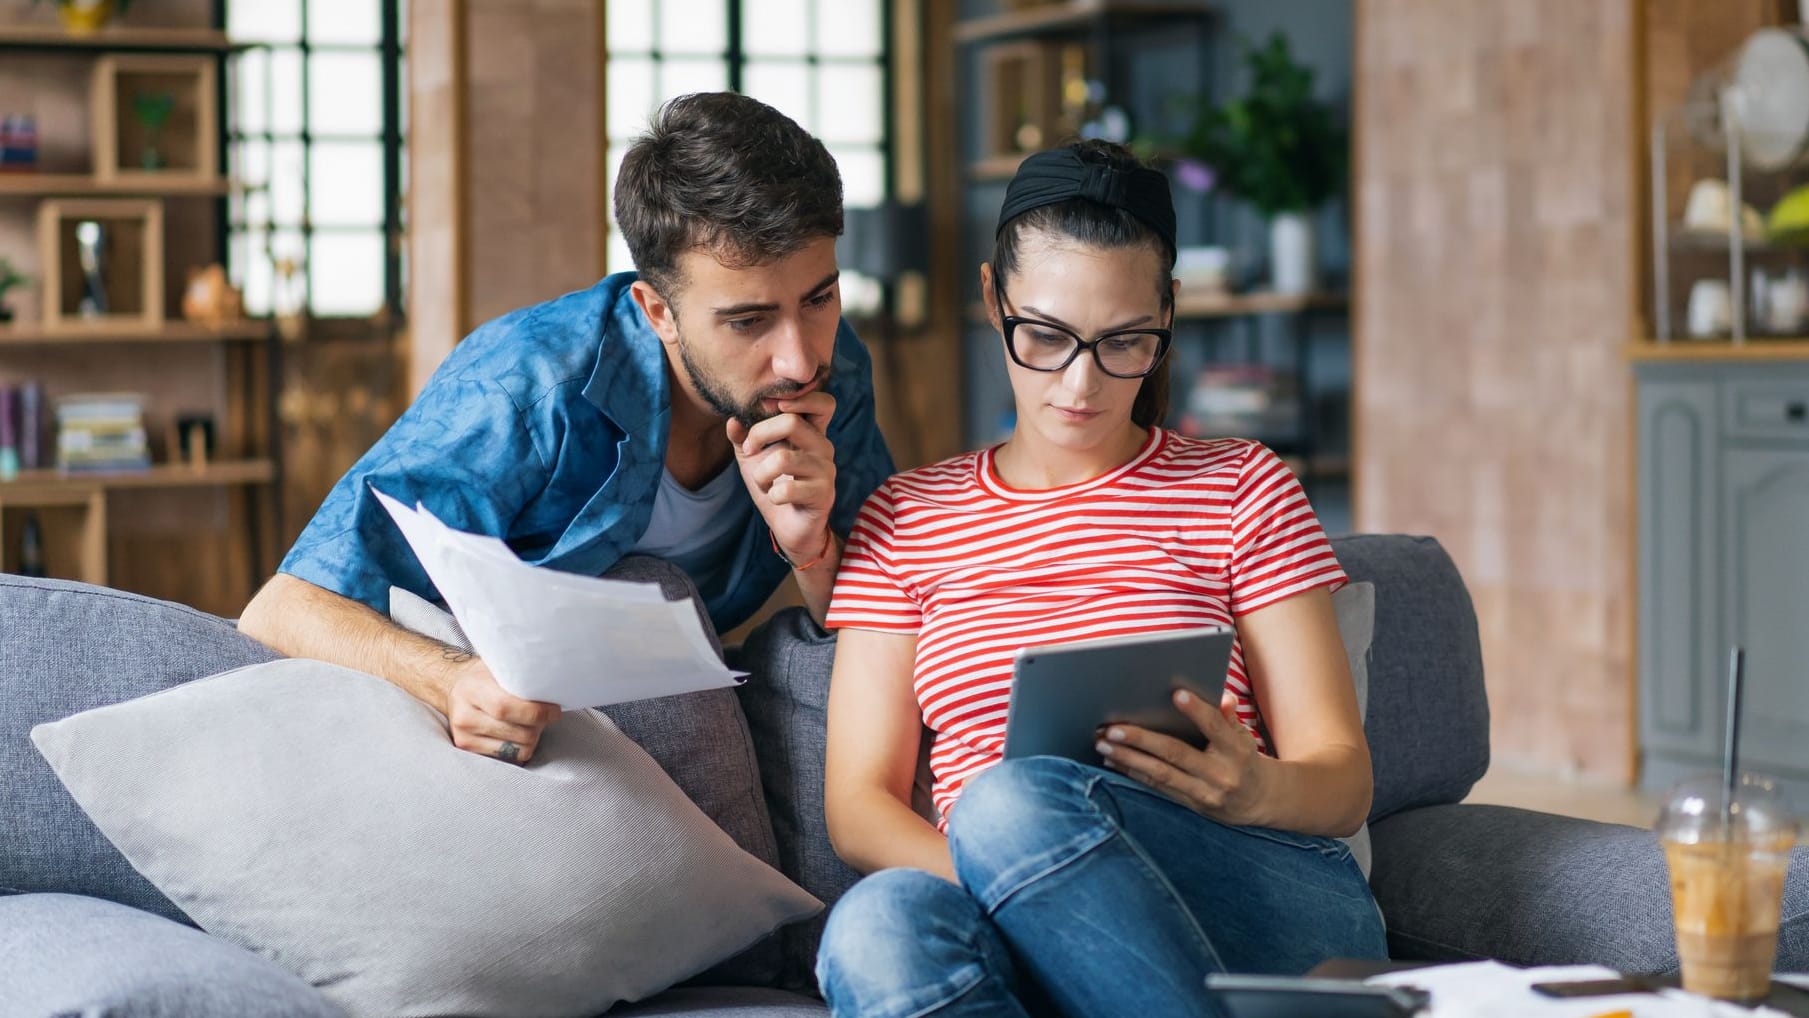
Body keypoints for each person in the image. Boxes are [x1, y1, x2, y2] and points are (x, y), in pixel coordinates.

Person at [815, 140, 1386, 1018]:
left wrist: (1259, 788)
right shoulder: (907, 517)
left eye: (1124, 342)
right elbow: (859, 809)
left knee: (1006, 804)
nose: (1080, 385)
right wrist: (1014, 883)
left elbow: (1341, 777)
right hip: (1006, 902)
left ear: (1168, 318)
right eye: (1043, 336)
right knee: (875, 925)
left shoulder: (1241, 485)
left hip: (1254, 890)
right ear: (990, 299)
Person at [238, 92, 894, 766]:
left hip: (675, 696)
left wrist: (811, 552)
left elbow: (889, 615)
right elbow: (284, 608)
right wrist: (452, 680)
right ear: (657, 312)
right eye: (747, 321)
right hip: (491, 716)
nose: (799, 357)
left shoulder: (833, 367)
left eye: (818, 298)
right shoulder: (529, 384)